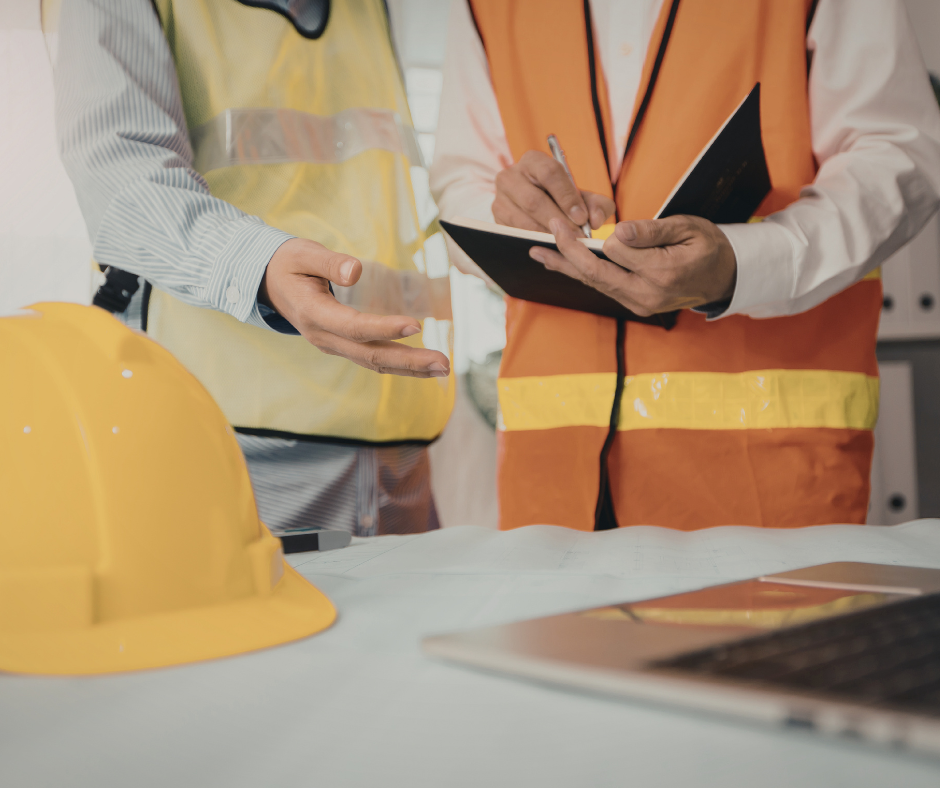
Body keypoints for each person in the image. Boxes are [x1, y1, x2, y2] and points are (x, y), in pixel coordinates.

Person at [431, 0, 940, 531]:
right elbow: (460, 181)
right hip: (552, 486)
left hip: (765, 489)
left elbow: (897, 154)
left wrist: (741, 267)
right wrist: (507, 212)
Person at [54, 0, 455, 538]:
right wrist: (261, 266)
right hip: (235, 435)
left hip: (397, 428)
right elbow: (121, 179)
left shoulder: (369, 9)